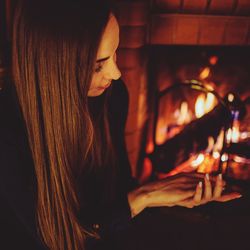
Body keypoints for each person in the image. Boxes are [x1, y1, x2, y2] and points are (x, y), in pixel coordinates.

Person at [0, 0, 241, 249]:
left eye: (115, 52)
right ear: (53, 68)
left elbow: (119, 187)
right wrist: (141, 199)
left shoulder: (112, 96)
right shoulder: (7, 130)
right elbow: (58, 241)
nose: (116, 73)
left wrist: (164, 194)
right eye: (97, 66)